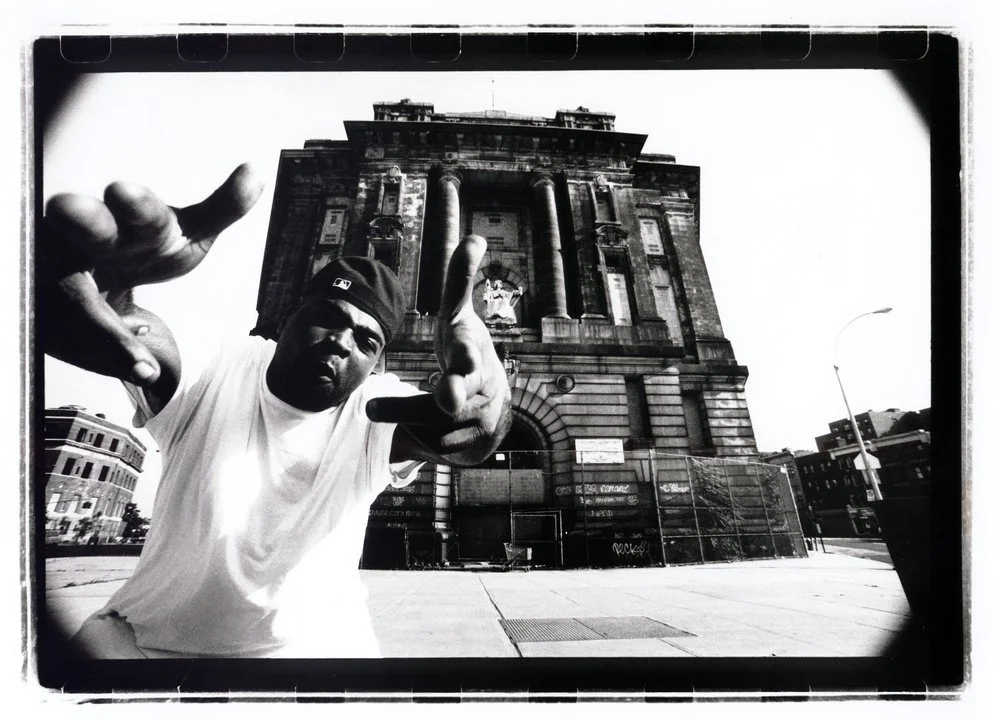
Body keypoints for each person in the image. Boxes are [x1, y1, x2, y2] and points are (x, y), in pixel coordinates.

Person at [41, 163, 512, 658]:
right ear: (287, 320)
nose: (339, 341)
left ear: (377, 362)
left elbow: (470, 436)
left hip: (320, 651)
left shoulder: (371, 409)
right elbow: (129, 340)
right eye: (327, 316)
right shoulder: (218, 369)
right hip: (148, 643)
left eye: (365, 339)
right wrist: (105, 293)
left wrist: (491, 394)